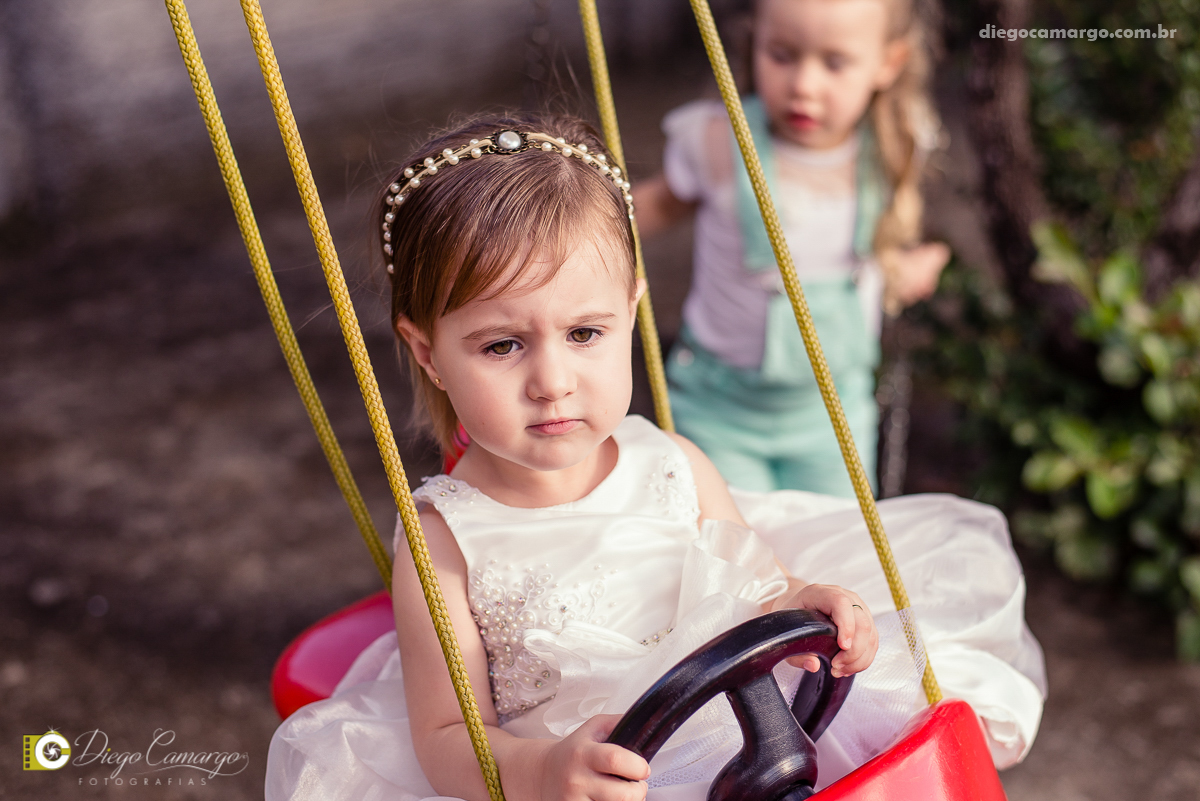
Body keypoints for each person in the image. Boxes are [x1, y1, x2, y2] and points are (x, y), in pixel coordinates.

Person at [264, 112, 1044, 801]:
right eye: (502, 345)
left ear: (631, 308)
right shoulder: (443, 542)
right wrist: (541, 770)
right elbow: (445, 738)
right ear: (428, 352)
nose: (552, 381)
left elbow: (760, 586)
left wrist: (811, 604)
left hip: (743, 743)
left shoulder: (669, 463)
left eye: (585, 333)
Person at [633, 0, 950, 496]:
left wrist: (905, 268)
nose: (804, 84)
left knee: (834, 535)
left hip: (833, 416)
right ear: (754, 41)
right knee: (737, 534)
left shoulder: (892, 144)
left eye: (834, 63)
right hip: (720, 411)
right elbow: (657, 205)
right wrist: (578, 232)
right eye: (781, 55)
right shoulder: (719, 141)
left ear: (888, 63)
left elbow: (881, 247)